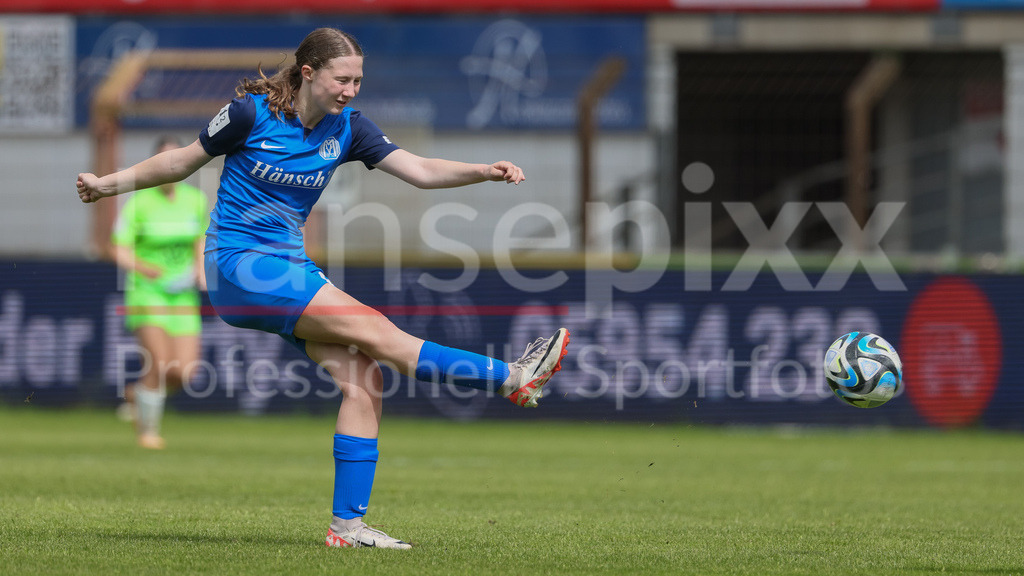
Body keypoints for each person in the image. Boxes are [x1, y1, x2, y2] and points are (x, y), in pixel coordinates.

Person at [77, 27, 569, 549]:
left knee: (365, 378)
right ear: (309, 72)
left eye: (358, 81)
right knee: (379, 332)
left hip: (288, 268)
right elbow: (181, 161)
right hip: (239, 266)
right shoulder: (249, 114)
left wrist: (482, 171)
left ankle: (347, 529)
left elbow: (421, 170)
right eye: (342, 79)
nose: (351, 91)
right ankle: (511, 377)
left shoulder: (349, 128)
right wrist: (107, 185)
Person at [110, 135, 208, 450]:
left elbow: (200, 240)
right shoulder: (139, 203)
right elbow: (118, 249)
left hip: (182, 295)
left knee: (185, 373)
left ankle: (138, 394)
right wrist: (143, 268)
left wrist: (200, 271)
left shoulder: (195, 200)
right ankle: (148, 432)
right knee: (159, 362)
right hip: (148, 292)